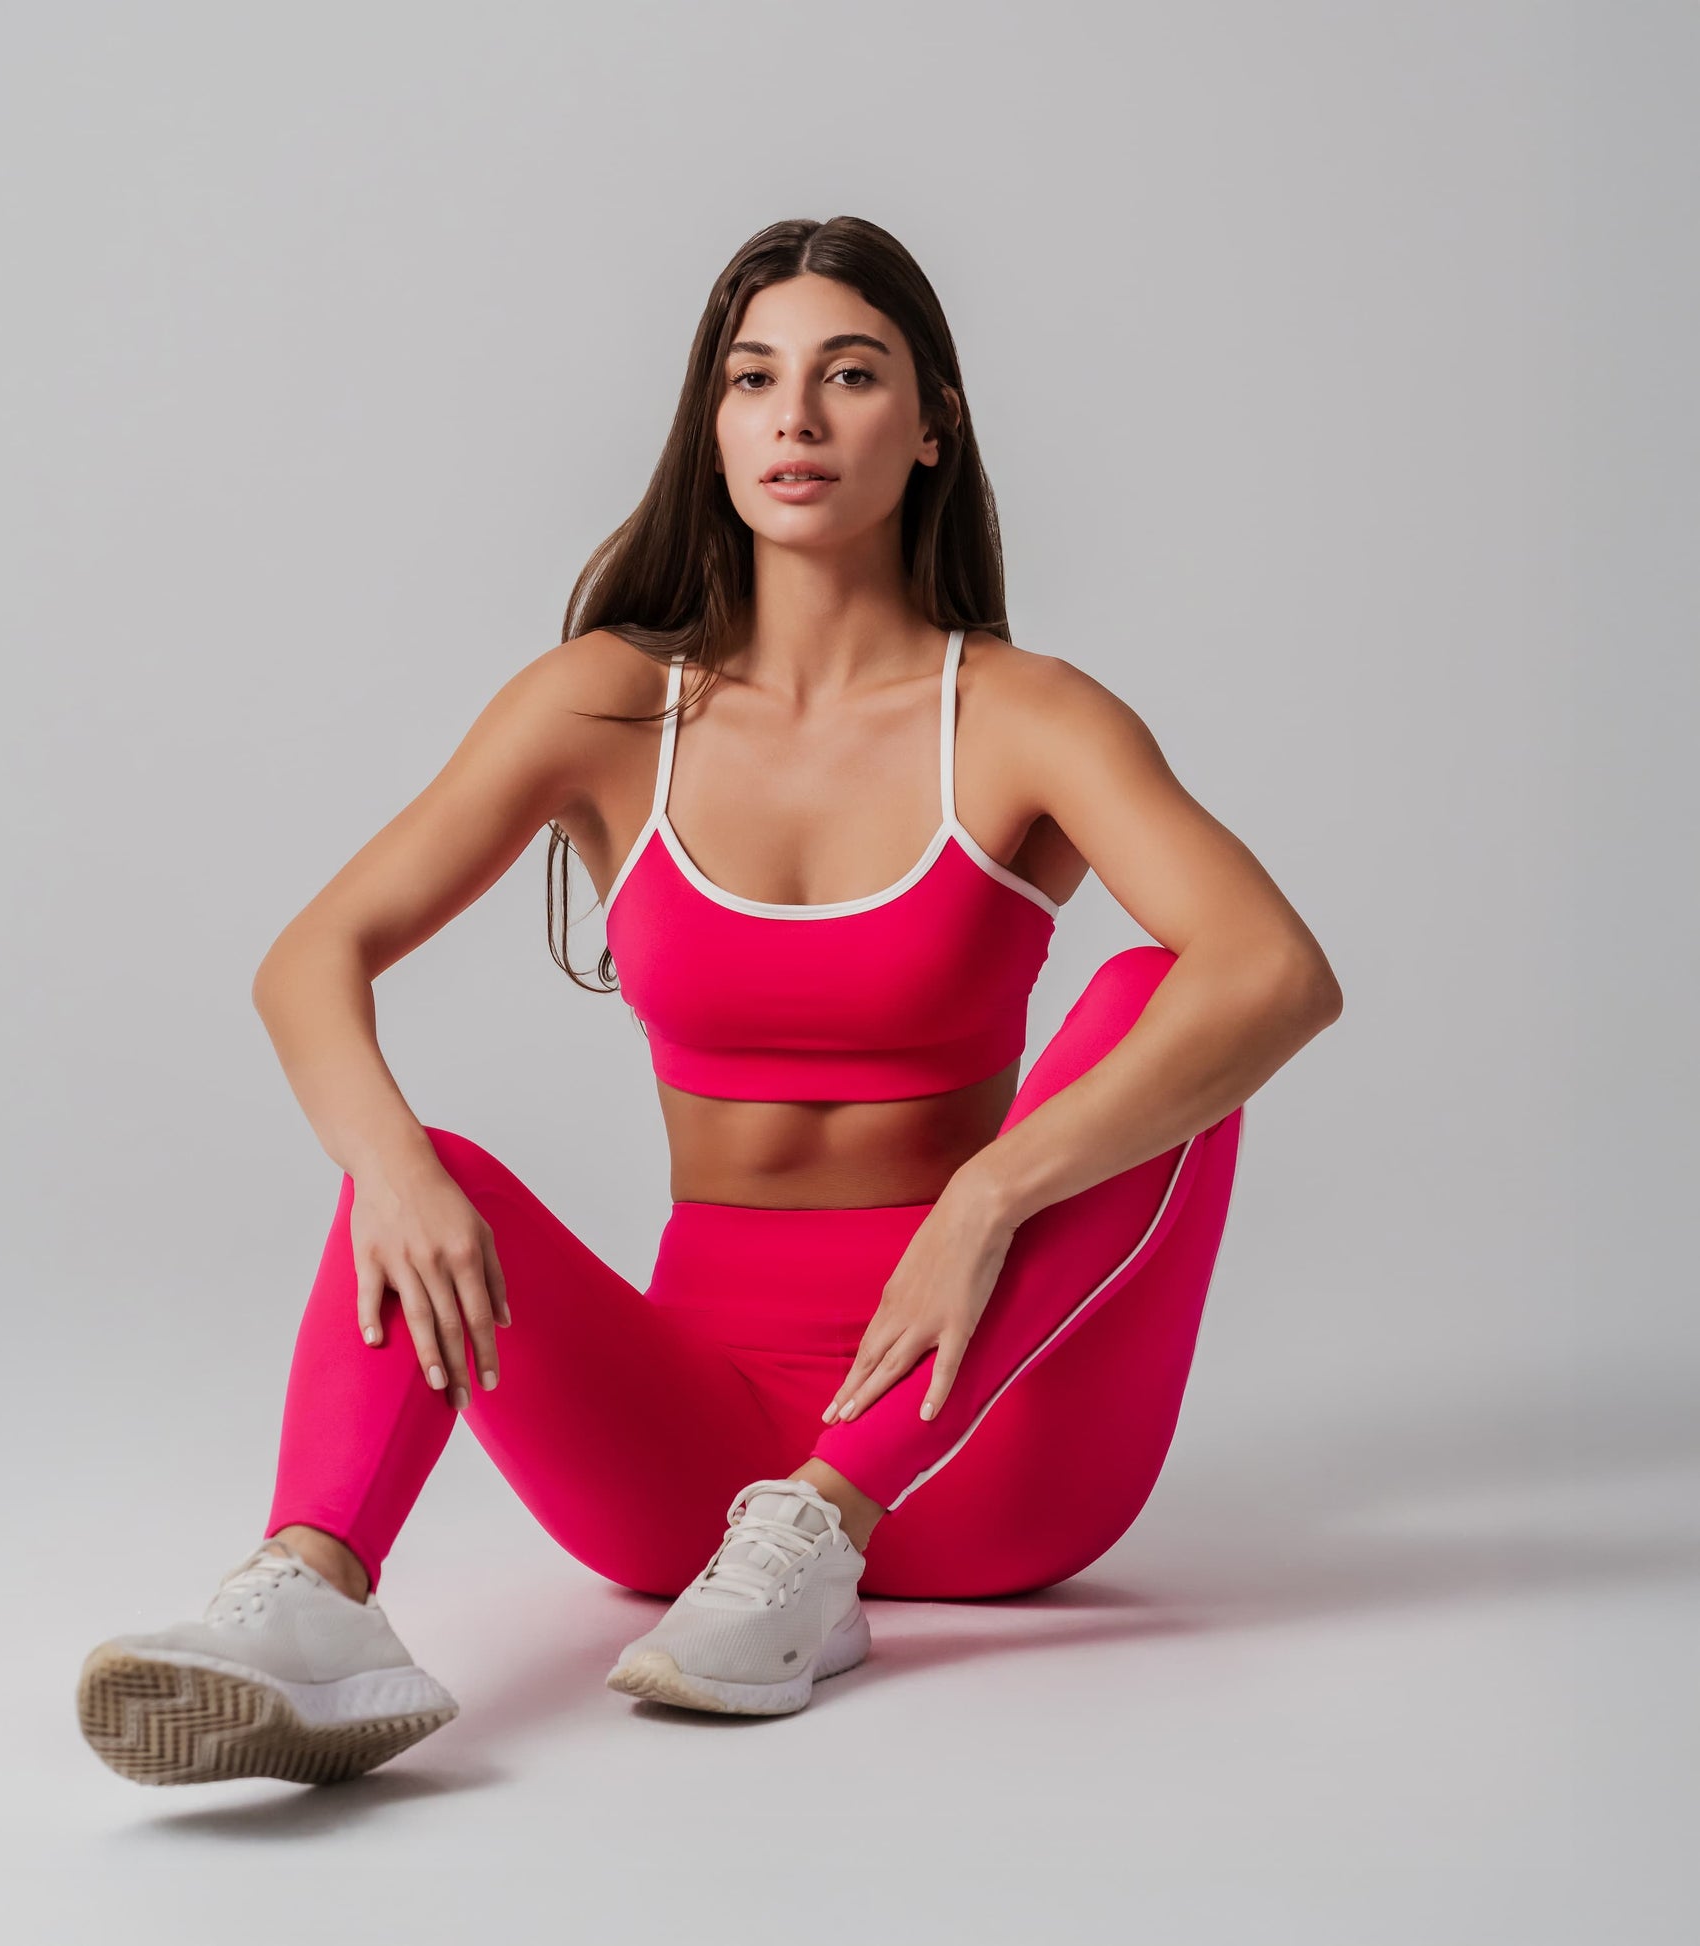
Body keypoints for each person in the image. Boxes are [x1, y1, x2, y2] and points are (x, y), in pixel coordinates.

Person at [77, 215, 1342, 1787]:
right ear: (714, 423)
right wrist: (391, 1169)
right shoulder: (605, 704)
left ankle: (828, 1523)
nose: (794, 416)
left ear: (931, 423)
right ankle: (314, 1604)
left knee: (1175, 993)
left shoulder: (1024, 719)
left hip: (986, 1444)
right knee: (433, 1166)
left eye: (849, 374)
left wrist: (986, 1195)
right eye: (753, 379)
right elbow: (308, 958)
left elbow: (1278, 975)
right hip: (688, 1498)